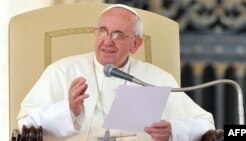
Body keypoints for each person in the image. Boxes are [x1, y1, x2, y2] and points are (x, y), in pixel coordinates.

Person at [17, 4, 215, 141]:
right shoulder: (61, 71)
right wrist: (68, 110)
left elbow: (205, 124)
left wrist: (173, 129)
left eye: (118, 35)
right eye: (103, 31)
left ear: (136, 44)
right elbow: (26, 124)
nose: (108, 41)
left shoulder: (157, 78)